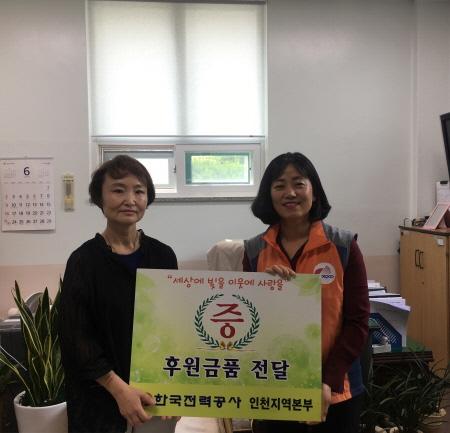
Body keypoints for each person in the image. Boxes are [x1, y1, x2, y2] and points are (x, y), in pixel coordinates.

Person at [244, 152, 369, 433]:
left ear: (314, 190)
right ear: (269, 195)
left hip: (337, 388)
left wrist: (327, 380)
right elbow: (251, 323)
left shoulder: (343, 246)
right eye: (279, 185)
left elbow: (358, 322)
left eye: (298, 183)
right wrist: (262, 291)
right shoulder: (254, 251)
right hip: (275, 387)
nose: (290, 193)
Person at [59, 155, 178, 433]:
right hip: (99, 397)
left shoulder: (163, 255)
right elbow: (75, 337)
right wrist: (118, 388)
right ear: (99, 198)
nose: (130, 200)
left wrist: (177, 387)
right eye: (118, 190)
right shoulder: (83, 261)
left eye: (139, 191)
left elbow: (172, 325)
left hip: (154, 393)